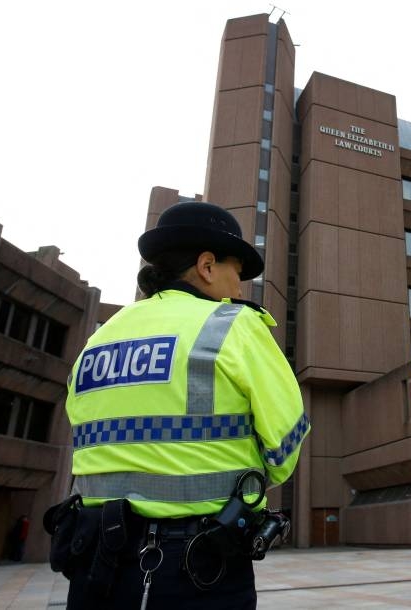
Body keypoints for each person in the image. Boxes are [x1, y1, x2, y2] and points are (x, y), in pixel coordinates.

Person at [49, 201, 310, 609]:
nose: (240, 289)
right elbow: (286, 442)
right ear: (207, 266)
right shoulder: (233, 325)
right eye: (236, 273)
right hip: (196, 563)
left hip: (91, 558)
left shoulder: (102, 336)